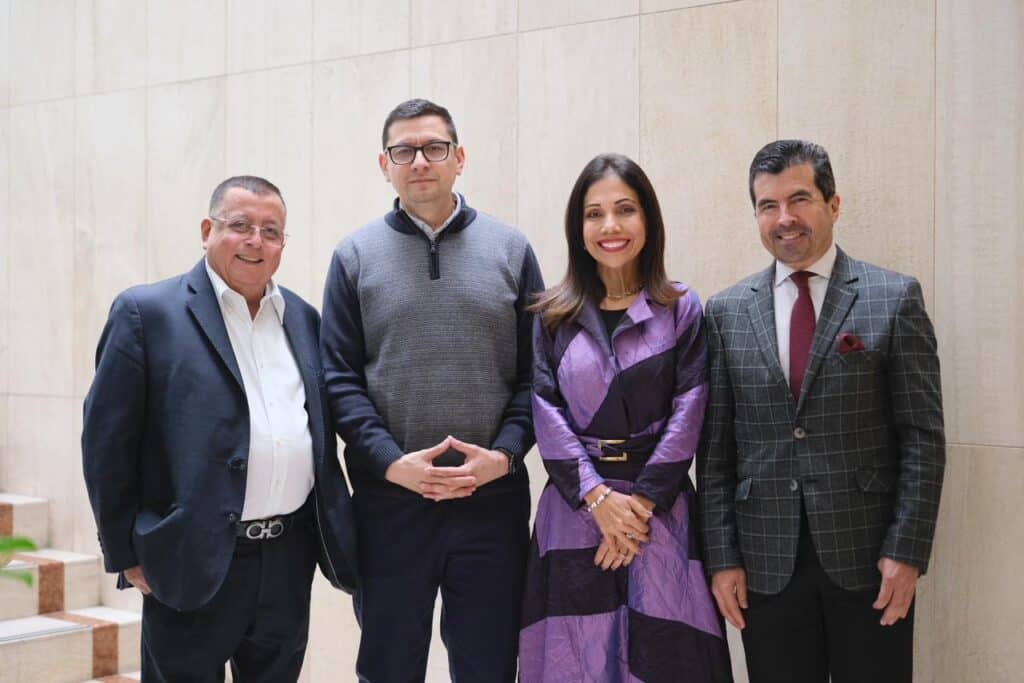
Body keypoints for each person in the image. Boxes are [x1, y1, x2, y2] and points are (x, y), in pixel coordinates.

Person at [82, 176, 357, 682]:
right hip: (191, 557)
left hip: (287, 559)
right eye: (240, 226)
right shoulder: (147, 313)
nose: (256, 240)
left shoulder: (304, 318)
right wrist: (124, 553)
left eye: (271, 231)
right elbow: (106, 443)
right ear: (208, 230)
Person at [697, 140, 946, 683]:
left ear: (833, 205)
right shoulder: (725, 312)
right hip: (765, 565)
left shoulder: (893, 297)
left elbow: (923, 437)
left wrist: (907, 550)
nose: (784, 218)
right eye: (767, 205)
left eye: (799, 199)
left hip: (869, 562)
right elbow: (715, 453)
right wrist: (722, 559)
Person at [320, 98, 544, 682]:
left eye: (434, 147)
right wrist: (392, 465)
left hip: (491, 503)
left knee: (489, 666)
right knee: (389, 667)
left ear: (459, 158)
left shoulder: (512, 251)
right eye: (404, 150)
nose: (420, 161)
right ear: (384, 163)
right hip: (390, 505)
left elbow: (535, 376)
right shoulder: (353, 257)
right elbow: (339, 380)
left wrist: (505, 456)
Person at [519, 153, 733, 682]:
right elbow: (545, 411)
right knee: (575, 660)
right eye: (594, 214)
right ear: (579, 227)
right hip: (573, 513)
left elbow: (691, 408)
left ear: (648, 221)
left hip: (660, 512)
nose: (609, 226)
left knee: (668, 658)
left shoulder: (680, 307)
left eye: (624, 210)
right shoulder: (552, 314)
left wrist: (636, 508)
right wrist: (597, 499)